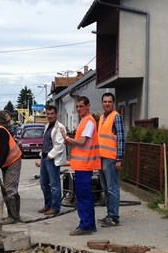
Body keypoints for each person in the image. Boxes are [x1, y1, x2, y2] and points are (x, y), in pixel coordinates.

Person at [62, 96, 100, 236]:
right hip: (81, 165)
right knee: (84, 196)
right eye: (77, 107)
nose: (78, 109)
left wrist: (68, 139)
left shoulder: (88, 122)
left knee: (84, 196)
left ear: (88, 106)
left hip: (85, 165)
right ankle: (88, 224)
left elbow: (83, 142)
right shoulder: (84, 121)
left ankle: (86, 225)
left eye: (81, 106)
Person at [97, 92, 126, 227]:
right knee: (105, 188)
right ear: (102, 103)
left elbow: (121, 139)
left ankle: (114, 217)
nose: (107, 104)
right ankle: (109, 214)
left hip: (111, 159)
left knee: (112, 189)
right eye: (105, 101)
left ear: (113, 103)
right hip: (101, 158)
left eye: (109, 101)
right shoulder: (102, 117)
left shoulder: (116, 117)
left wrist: (119, 158)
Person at [35, 105, 67, 216]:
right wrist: (42, 156)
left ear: (56, 114)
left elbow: (60, 145)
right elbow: (46, 143)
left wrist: (50, 155)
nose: (50, 116)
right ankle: (47, 205)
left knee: (54, 184)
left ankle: (55, 207)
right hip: (44, 158)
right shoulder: (47, 126)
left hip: (52, 159)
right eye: (48, 114)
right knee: (43, 183)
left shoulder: (60, 127)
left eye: (52, 113)